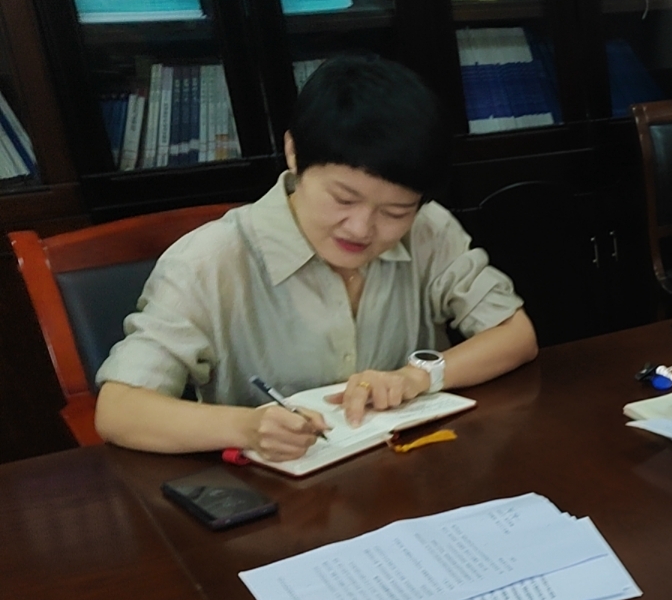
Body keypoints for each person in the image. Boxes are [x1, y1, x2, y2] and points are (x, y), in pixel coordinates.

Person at [94, 54, 537, 460]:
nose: (361, 228)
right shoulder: (209, 261)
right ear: (294, 153)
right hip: (277, 497)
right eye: (343, 198)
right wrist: (247, 427)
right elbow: (118, 410)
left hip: (409, 474)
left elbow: (515, 334)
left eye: (394, 212)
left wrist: (416, 377)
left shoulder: (428, 229)